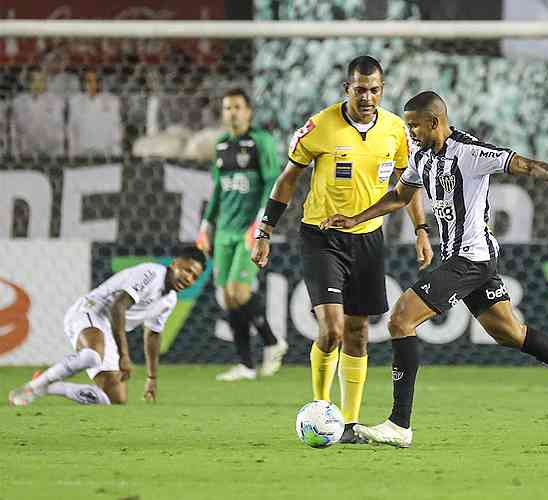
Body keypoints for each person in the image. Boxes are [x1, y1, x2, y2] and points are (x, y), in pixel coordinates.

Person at [320, 91, 548, 447]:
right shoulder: (421, 156)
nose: (410, 132)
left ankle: (399, 424)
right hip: (465, 258)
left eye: (415, 126)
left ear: (435, 122)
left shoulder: (471, 153)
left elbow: (523, 164)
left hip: (471, 258)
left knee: (401, 319)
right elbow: (400, 196)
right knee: (510, 333)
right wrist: (355, 218)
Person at [252, 56, 433, 444]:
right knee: (331, 330)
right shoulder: (320, 127)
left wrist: (421, 229)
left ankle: (348, 424)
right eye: (359, 89)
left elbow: (408, 184)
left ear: (382, 90)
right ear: (345, 88)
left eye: (374, 90)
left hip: (368, 237)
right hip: (321, 237)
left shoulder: (396, 131)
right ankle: (321, 410)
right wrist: (265, 230)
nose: (367, 97)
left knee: (358, 333)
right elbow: (287, 181)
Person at [8, 247, 206, 406]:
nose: (189, 278)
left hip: (108, 330)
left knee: (115, 400)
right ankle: (31, 388)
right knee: (91, 355)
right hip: (91, 311)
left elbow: (153, 335)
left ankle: (47, 384)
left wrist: (151, 377)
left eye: (195, 277)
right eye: (187, 270)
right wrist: (124, 355)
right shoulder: (152, 273)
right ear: (174, 264)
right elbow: (118, 306)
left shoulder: (169, 300)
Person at [196, 88, 287, 381]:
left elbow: (272, 183)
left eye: (237, 106)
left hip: (249, 230)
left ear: (248, 111)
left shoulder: (261, 141)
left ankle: (273, 342)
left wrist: (261, 224)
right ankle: (246, 365)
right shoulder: (221, 145)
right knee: (227, 297)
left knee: (239, 291)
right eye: (227, 107)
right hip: (223, 231)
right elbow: (218, 190)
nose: (232, 112)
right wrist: (205, 226)